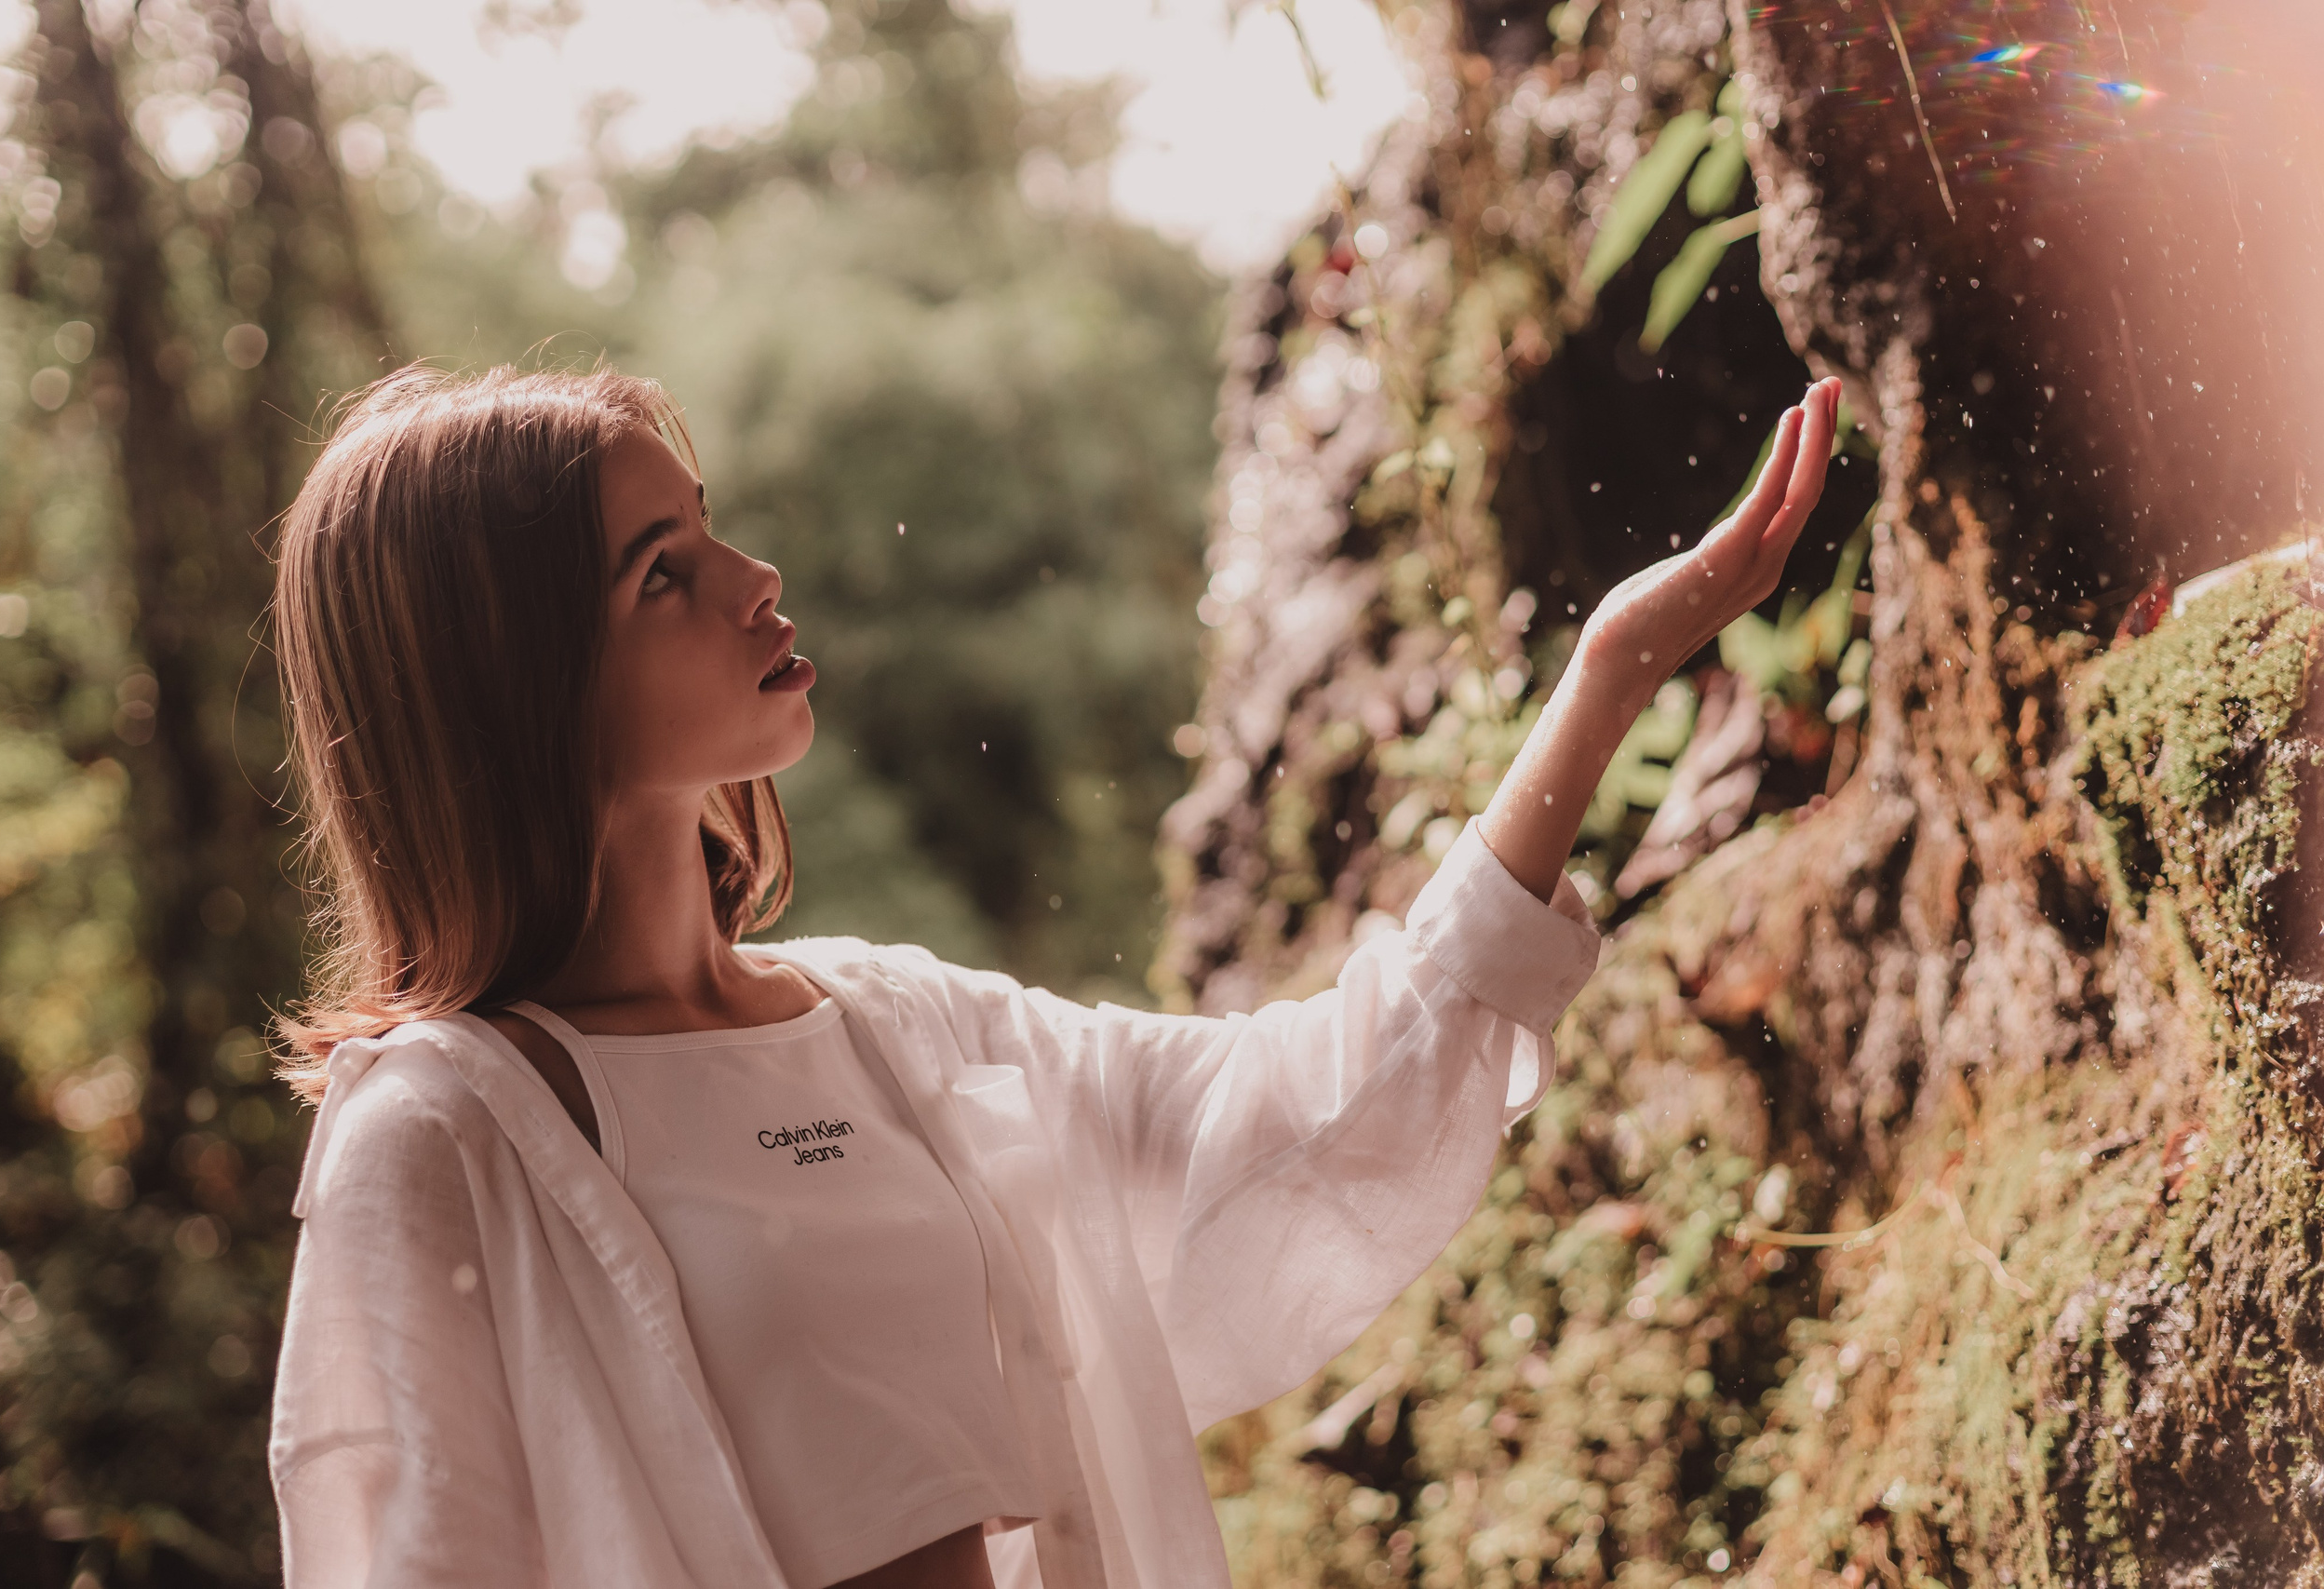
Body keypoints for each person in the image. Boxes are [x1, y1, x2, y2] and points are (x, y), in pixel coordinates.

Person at [266, 363, 1842, 1589]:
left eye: (711, 522)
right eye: (661, 572)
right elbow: (413, 1560)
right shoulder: (445, 1135)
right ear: (513, 688)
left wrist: (1605, 682)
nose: (756, 577)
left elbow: (1308, 1109)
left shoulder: (894, 1031)